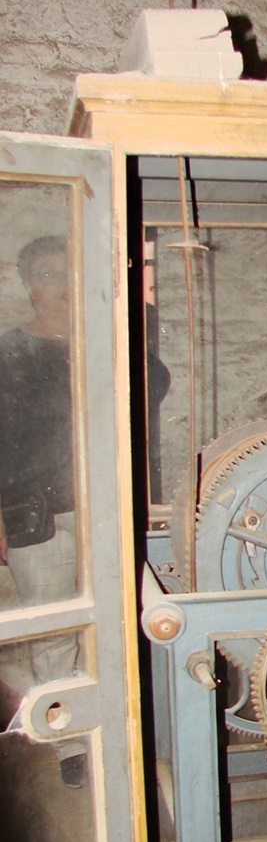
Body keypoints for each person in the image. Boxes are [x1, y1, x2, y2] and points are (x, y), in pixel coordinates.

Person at [0, 236, 82, 782]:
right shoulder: (8, 354)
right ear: (30, 286)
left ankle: (112, 728)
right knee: (53, 632)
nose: (62, 286)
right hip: (34, 515)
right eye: (49, 275)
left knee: (112, 624)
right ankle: (68, 744)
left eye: (68, 273)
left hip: (98, 509)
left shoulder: (98, 344)